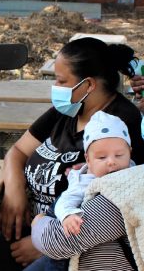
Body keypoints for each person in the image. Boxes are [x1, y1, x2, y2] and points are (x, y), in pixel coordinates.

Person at [0, 37, 144, 270]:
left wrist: (43, 243)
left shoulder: (118, 127)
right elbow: (18, 151)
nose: (56, 87)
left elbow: (115, 208)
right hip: (37, 225)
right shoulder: (68, 110)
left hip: (77, 243)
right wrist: (14, 192)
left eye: (62, 81)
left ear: (88, 85)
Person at [26, 111, 134, 271]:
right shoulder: (84, 181)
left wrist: (38, 223)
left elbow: (56, 242)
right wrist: (68, 215)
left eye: (119, 155)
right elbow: (65, 201)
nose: (111, 162)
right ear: (88, 160)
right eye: (102, 158)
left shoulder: (129, 184)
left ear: (130, 153)